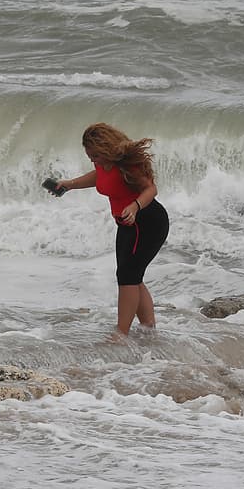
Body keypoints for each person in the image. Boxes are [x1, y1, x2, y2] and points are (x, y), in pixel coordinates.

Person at [50, 123, 170, 339]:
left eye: (95, 155)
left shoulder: (128, 165)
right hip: (126, 223)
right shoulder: (104, 165)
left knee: (128, 276)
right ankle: (148, 328)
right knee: (130, 274)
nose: (93, 160)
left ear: (106, 149)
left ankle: (120, 334)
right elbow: (99, 177)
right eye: (90, 156)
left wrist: (134, 205)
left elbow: (151, 188)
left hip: (147, 221)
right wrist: (68, 184)